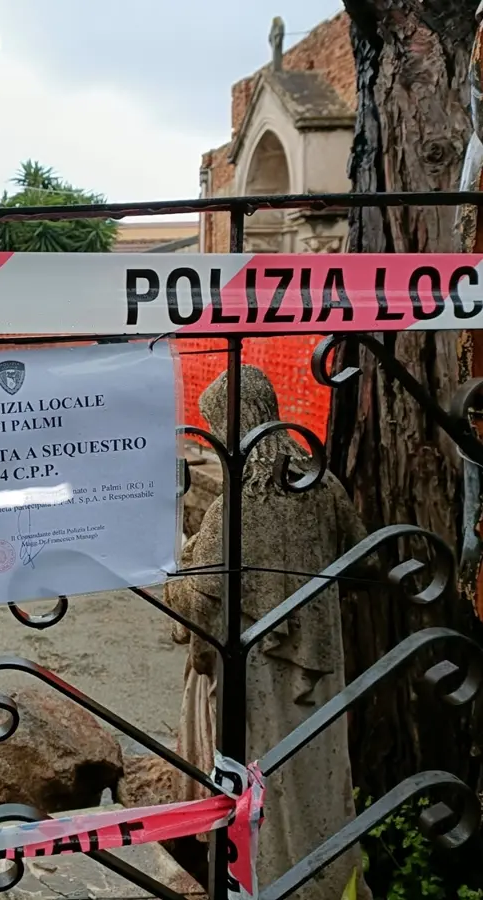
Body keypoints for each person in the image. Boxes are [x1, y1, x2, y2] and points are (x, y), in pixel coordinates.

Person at [166, 365, 371, 900]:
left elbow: (198, 605)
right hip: (322, 669)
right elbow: (364, 561)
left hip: (256, 676)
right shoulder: (322, 485)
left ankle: (271, 884)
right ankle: (333, 882)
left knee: (265, 783)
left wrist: (179, 572)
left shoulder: (233, 507)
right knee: (321, 777)